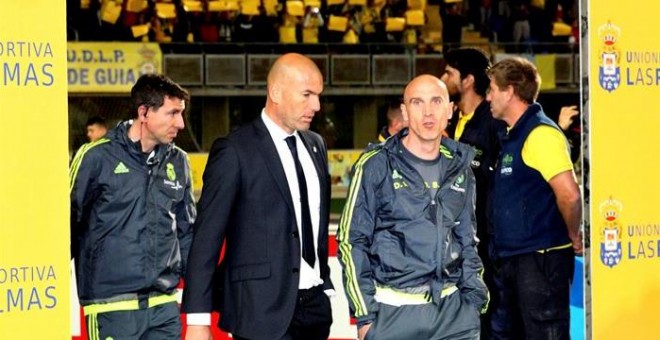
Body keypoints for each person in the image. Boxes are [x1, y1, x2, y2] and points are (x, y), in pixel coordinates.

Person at [182, 53, 334, 340]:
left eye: (318, 95)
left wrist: (324, 284)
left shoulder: (316, 145)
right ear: (275, 92)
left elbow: (314, 222)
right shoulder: (234, 150)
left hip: (315, 312)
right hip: (258, 313)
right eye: (307, 94)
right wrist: (198, 320)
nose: (316, 105)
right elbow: (206, 238)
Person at [338, 74, 488, 340]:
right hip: (392, 315)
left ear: (449, 110)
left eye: (436, 101)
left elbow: (467, 239)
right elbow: (352, 241)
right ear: (405, 113)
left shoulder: (461, 166)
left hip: (454, 316)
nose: (428, 112)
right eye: (417, 103)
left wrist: (473, 303)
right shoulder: (375, 165)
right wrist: (365, 316)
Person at [69, 74, 196, 339]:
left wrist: (198, 303)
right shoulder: (95, 156)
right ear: (144, 112)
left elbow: (186, 234)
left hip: (164, 307)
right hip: (111, 307)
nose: (181, 124)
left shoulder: (179, 161)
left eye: (181, 114)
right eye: (172, 113)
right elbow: (68, 224)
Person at [486, 57, 582, 339]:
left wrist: (573, 235)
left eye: (492, 88)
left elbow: (570, 194)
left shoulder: (540, 134)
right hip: (520, 258)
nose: (488, 96)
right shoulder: (515, 135)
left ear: (510, 90)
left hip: (540, 260)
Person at [441, 47, 506, 339]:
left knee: (489, 318)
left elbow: (493, 180)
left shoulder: (492, 123)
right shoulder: (451, 121)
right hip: (453, 242)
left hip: (485, 244)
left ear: (467, 80)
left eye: (449, 73)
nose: (443, 79)